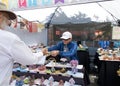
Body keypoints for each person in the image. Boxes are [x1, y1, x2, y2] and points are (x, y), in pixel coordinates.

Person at [0, 2, 48, 85]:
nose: (8, 22)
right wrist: (41, 53)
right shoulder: (8, 38)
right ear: (0, 17)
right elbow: (29, 59)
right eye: (7, 18)